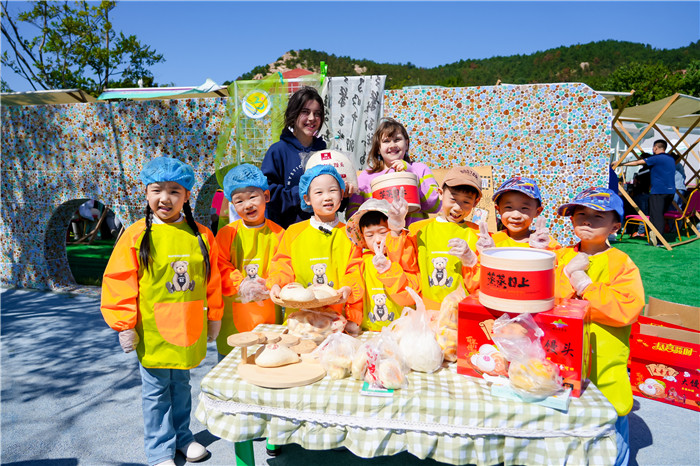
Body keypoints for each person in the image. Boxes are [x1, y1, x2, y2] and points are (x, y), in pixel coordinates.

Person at [100, 157, 223, 466]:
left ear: (187, 197)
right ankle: (159, 450)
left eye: (174, 191)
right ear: (146, 193)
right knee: (156, 393)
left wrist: (215, 317)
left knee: (182, 386)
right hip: (153, 332)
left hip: (189, 326)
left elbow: (213, 279)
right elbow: (119, 281)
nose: (165, 198)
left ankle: (183, 437)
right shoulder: (136, 234)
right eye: (157, 190)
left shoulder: (202, 235)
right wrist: (124, 323)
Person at [554, 187, 644, 466]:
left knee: (611, 413)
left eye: (598, 216)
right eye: (581, 214)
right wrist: (566, 274)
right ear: (570, 218)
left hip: (605, 356)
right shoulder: (561, 255)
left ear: (615, 225)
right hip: (561, 354)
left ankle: (619, 460)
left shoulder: (621, 263)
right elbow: (549, 298)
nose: (588, 221)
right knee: (563, 413)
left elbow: (627, 308)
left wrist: (585, 285)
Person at [215, 164, 285, 359]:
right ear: (232, 205)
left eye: (253, 196)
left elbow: (284, 264)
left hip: (269, 313)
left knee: (268, 362)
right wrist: (241, 283)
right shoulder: (227, 233)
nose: (248, 205)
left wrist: (271, 283)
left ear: (267, 196)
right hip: (233, 316)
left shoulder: (279, 234)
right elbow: (219, 265)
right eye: (239, 200)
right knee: (232, 367)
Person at [267, 165, 354, 317]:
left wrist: (348, 287)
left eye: (332, 190)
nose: (327, 197)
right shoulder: (294, 232)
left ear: (341, 194)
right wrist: (276, 283)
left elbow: (355, 268)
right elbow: (282, 263)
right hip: (299, 317)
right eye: (319, 192)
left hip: (338, 315)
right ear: (307, 199)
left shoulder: (350, 233)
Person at [407, 166, 481, 310]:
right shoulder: (418, 230)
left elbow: (482, 282)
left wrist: (472, 261)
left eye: (466, 202)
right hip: (427, 311)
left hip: (463, 312)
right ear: (440, 193)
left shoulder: (478, 234)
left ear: (475, 203)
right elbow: (407, 265)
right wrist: (395, 231)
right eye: (453, 199)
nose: (458, 207)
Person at [344, 196, 420, 330]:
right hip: (370, 329)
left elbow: (410, 296)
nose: (377, 240)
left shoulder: (404, 256)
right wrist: (353, 319)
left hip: (402, 331)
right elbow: (357, 297)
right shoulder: (363, 261)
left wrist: (388, 270)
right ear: (362, 237)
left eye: (383, 232)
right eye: (370, 235)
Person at [347, 118, 441, 226]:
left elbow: (435, 206)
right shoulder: (366, 177)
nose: (392, 145)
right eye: (386, 141)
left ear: (406, 144)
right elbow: (352, 213)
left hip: (416, 238)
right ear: (378, 148)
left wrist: (412, 174)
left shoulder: (420, 169)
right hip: (382, 240)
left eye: (397, 140)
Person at [261, 87, 327, 229]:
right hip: (286, 234)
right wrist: (302, 193)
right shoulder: (278, 151)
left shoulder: (323, 152)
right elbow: (267, 193)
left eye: (317, 114)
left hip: (320, 232)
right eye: (305, 112)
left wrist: (342, 193)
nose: (311, 118)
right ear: (293, 113)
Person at [476, 176, 561, 250]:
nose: (516, 215)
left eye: (524, 208)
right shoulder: (491, 241)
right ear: (498, 210)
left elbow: (558, 265)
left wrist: (545, 251)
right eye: (508, 207)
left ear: (538, 211)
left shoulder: (545, 243)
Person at [622, 140, 675, 242]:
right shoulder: (670, 158)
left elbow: (638, 162)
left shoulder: (656, 158)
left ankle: (658, 239)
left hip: (659, 191)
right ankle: (655, 237)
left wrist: (621, 164)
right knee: (660, 215)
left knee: (656, 216)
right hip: (670, 192)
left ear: (655, 147)